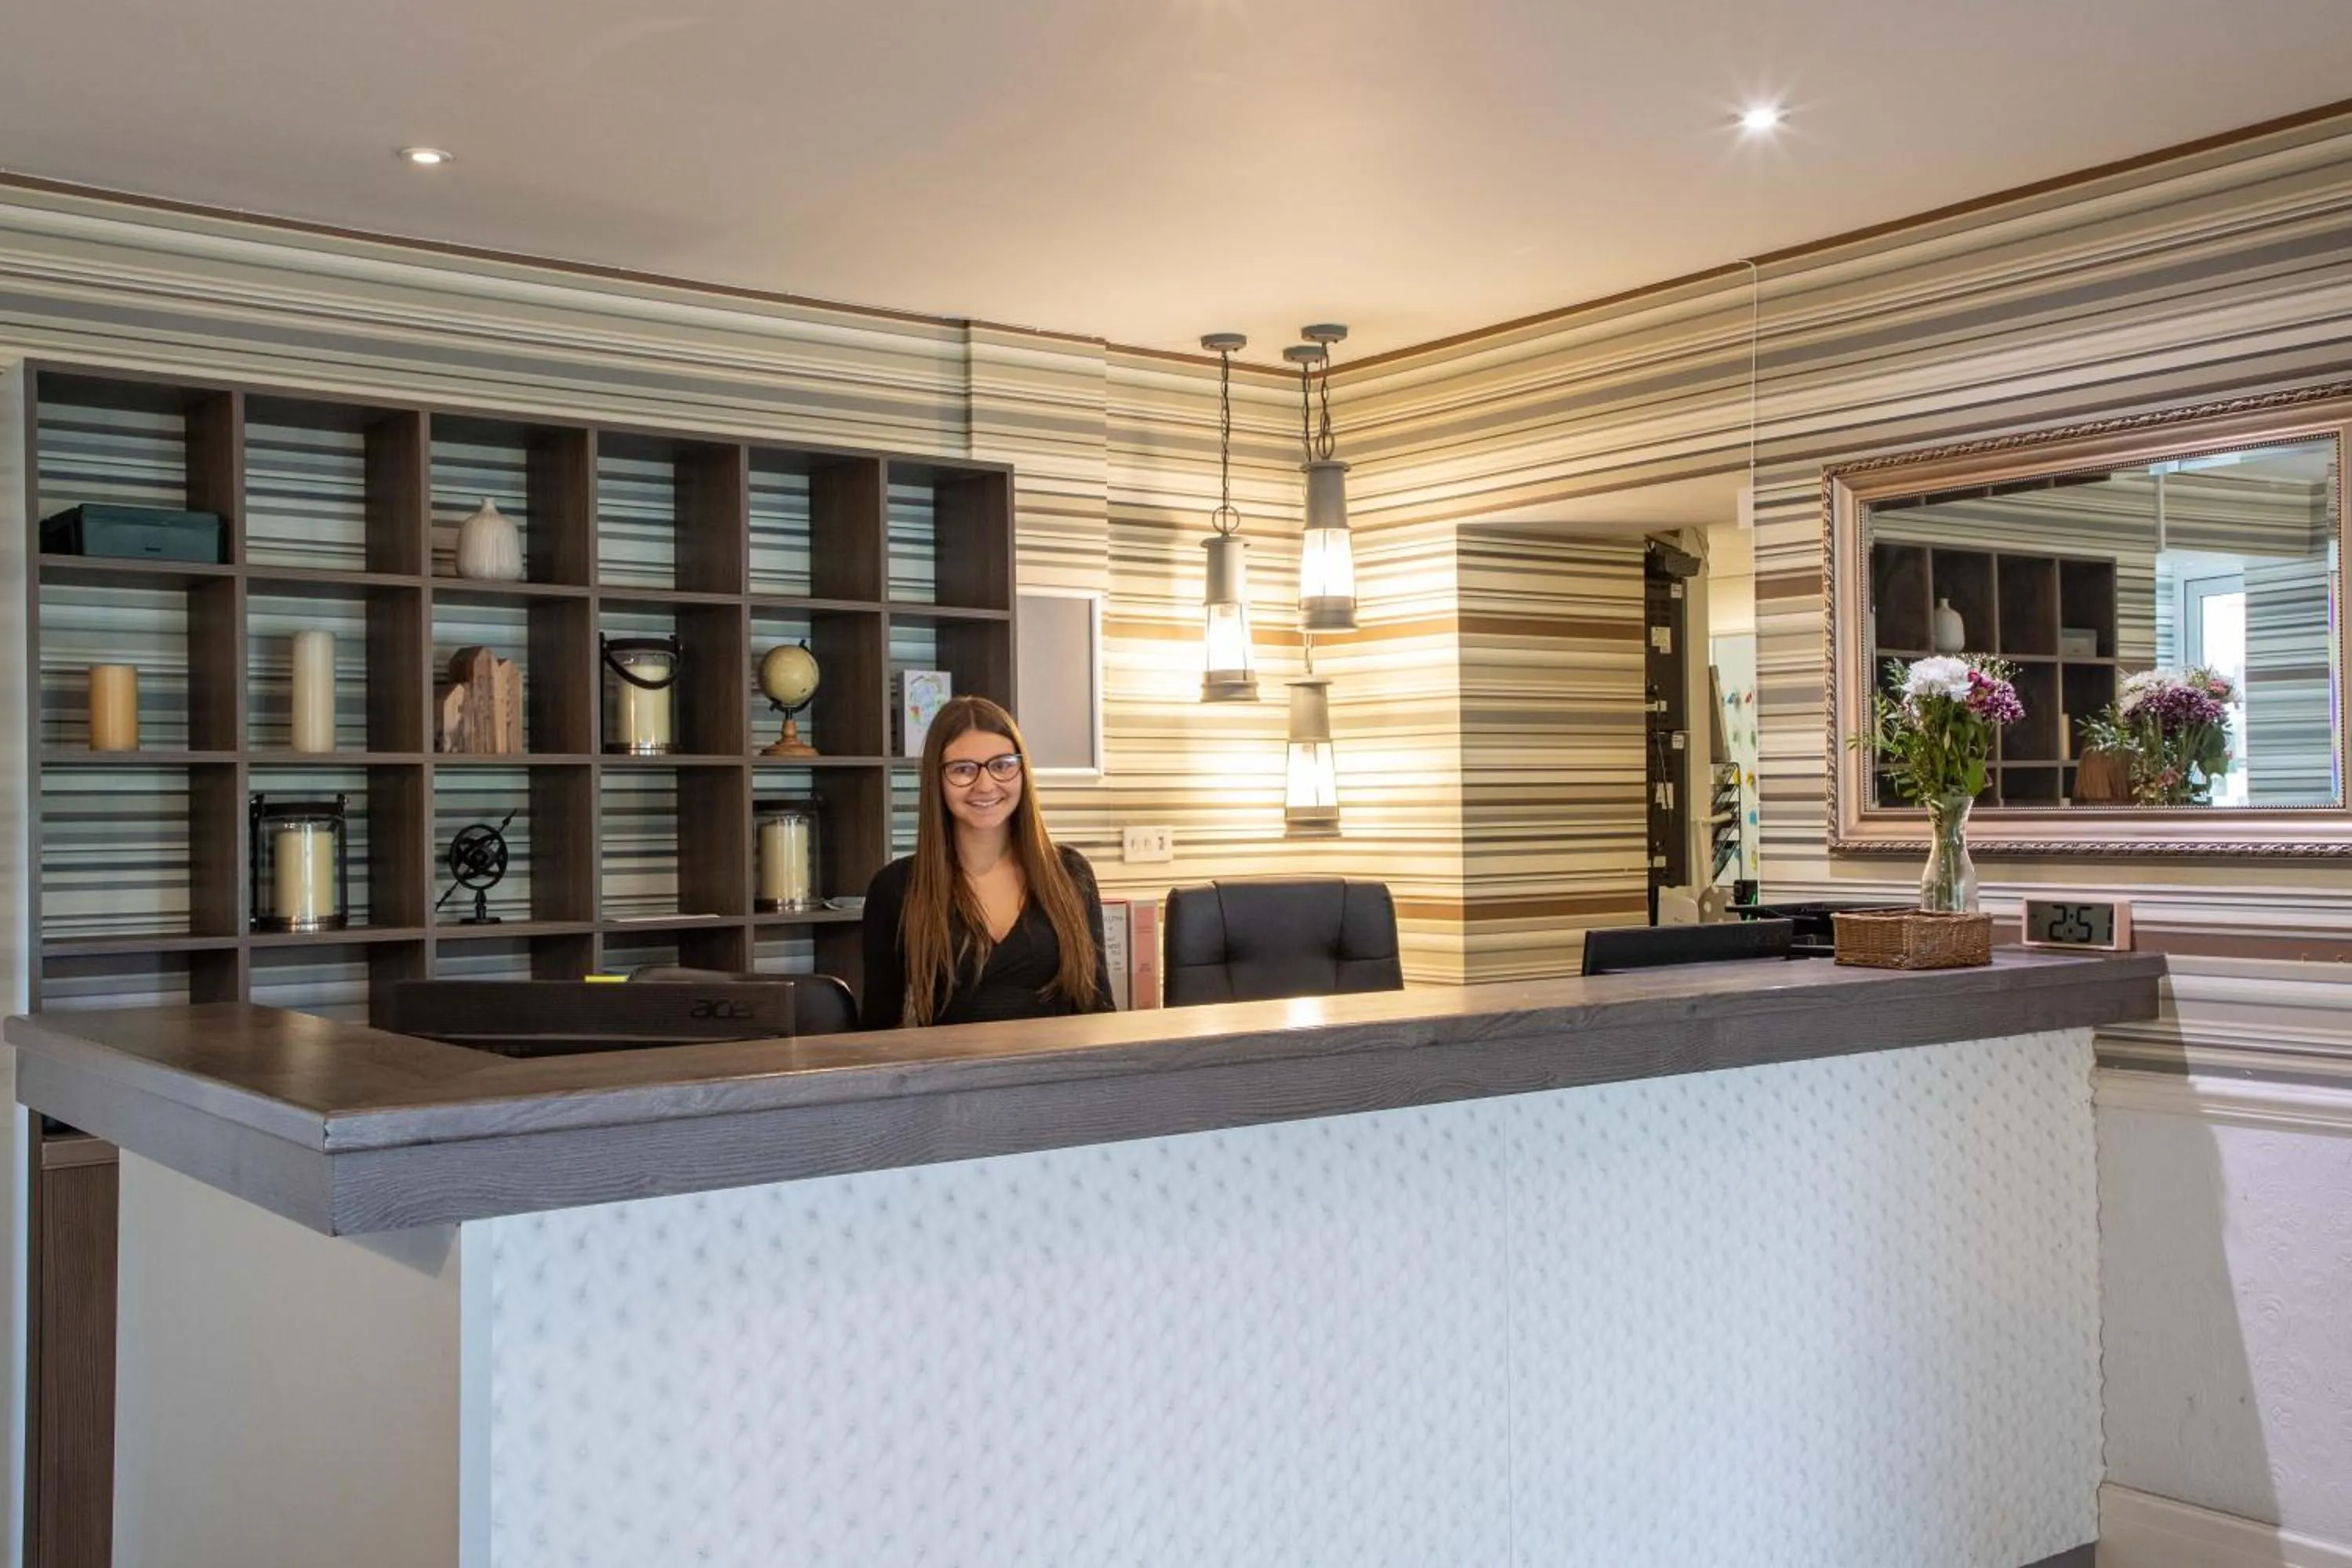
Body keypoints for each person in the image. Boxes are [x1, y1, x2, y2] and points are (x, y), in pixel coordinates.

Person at [859, 695, 1114, 1029]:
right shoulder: (895, 888)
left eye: (1002, 765)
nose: (986, 784)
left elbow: (1097, 1009)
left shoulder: (1069, 873)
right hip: (949, 1078)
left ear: (1022, 771)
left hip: (1057, 1076)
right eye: (963, 770)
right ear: (937, 780)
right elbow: (879, 1031)